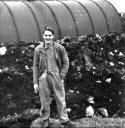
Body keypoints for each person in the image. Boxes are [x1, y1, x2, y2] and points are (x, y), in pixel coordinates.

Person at [33, 26, 75, 127]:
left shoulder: (59, 48)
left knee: (60, 98)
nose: (47, 37)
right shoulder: (38, 49)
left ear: (53, 36)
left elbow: (66, 62)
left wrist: (62, 75)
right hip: (43, 76)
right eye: (46, 35)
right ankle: (45, 119)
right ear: (43, 36)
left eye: (49, 35)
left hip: (56, 76)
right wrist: (35, 82)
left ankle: (64, 119)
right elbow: (35, 66)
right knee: (44, 99)